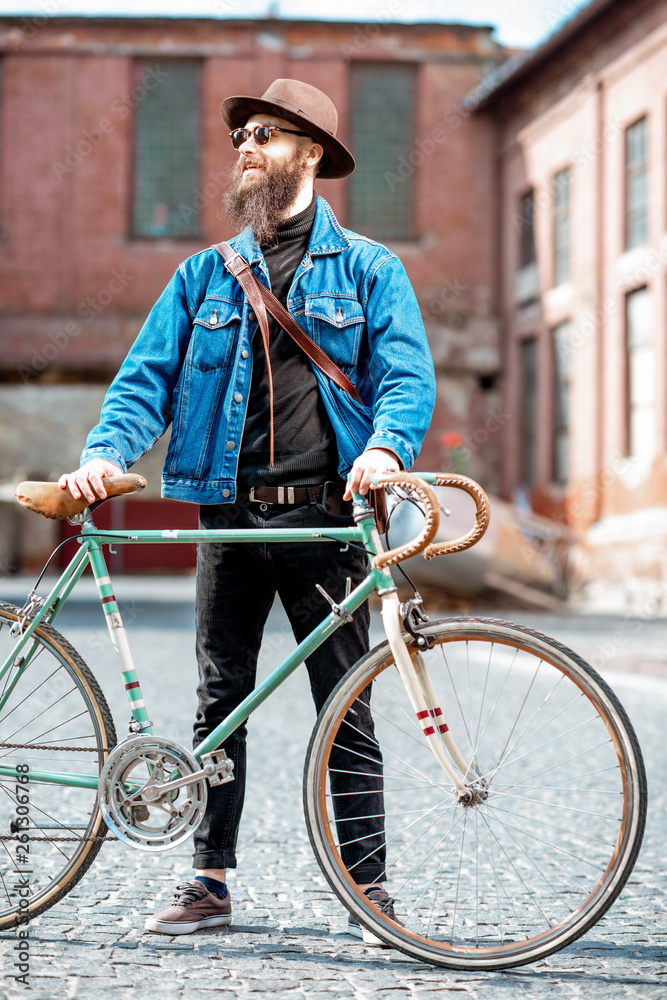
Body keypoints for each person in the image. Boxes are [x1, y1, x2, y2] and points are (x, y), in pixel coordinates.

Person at [59, 79, 436, 942]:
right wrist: (107, 452)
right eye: (239, 133)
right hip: (227, 516)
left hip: (326, 519)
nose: (244, 145)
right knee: (218, 700)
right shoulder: (202, 276)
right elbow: (143, 381)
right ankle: (209, 881)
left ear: (310, 153)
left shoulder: (372, 269)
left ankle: (369, 889)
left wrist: (384, 448)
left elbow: (406, 378)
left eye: (263, 133)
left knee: (345, 702)